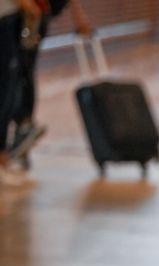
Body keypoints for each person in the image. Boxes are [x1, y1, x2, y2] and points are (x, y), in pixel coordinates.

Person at [9, 0, 91, 168]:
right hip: (23, 15)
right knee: (18, 75)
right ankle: (23, 127)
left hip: (31, 16)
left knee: (20, 74)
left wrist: (79, 17)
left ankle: (23, 127)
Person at [0, 0, 36, 186]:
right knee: (4, 95)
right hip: (4, 19)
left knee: (8, 95)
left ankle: (3, 161)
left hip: (11, 18)